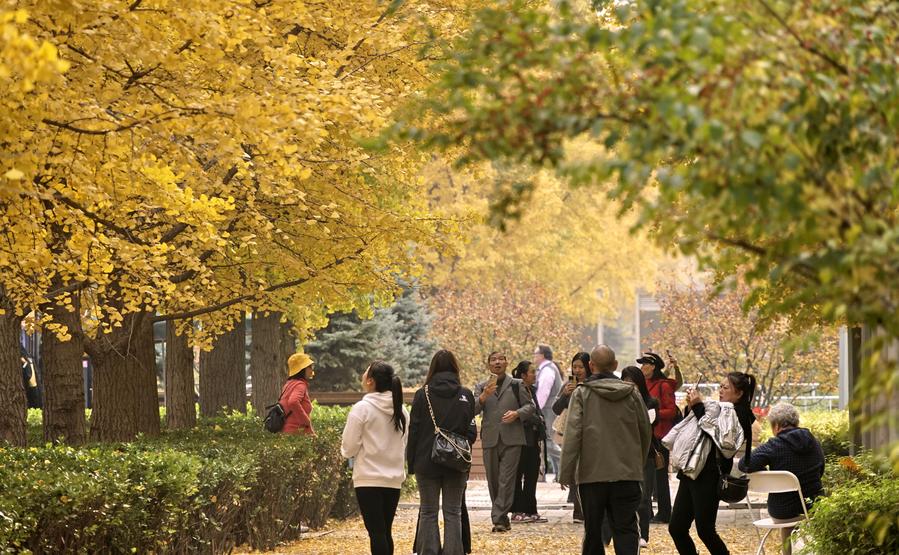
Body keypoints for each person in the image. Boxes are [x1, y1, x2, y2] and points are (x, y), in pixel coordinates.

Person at [559, 345, 652, 555]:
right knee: (626, 529)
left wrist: (566, 471)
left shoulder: (582, 394)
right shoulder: (632, 393)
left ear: (591, 366)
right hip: (627, 474)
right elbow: (645, 431)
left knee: (593, 531)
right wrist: (637, 461)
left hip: (592, 476)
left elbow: (573, 435)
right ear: (616, 365)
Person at [663, 371, 756, 555]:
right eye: (720, 386)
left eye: (726, 387)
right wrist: (692, 407)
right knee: (677, 528)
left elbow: (722, 439)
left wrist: (698, 407)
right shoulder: (719, 408)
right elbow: (698, 428)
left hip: (709, 476)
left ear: (739, 393)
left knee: (705, 530)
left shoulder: (741, 414)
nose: (721, 390)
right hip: (691, 471)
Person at [407, 350, 477, 555]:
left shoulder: (423, 394)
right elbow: (471, 433)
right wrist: (456, 445)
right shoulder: (466, 395)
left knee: (428, 511)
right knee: (453, 512)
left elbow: (414, 432)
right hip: (456, 465)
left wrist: (411, 462)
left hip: (426, 462)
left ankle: (429, 551)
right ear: (455, 368)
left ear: (433, 368)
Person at [341, 362, 409, 555]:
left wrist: (348, 453)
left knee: (377, 533)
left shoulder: (362, 408)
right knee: (385, 531)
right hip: (394, 479)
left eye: (365, 373)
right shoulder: (401, 410)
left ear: (370, 381)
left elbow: (349, 447)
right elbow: (403, 442)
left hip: (368, 479)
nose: (362, 376)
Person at [739, 403, 824, 555]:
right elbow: (821, 469)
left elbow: (744, 463)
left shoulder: (774, 445)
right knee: (801, 504)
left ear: (776, 426)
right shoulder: (814, 441)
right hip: (814, 507)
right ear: (796, 423)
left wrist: (765, 471)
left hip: (782, 510)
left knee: (787, 511)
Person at [473, 350, 536, 532]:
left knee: (506, 480)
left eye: (501, 359)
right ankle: (502, 515)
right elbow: (472, 410)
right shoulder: (482, 386)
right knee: (493, 480)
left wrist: (517, 414)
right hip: (490, 438)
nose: (497, 362)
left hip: (512, 438)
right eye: (493, 359)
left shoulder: (517, 384)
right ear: (488, 364)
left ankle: (499, 518)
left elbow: (530, 406)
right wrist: (484, 396)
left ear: (507, 363)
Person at [621, 365, 661, 549]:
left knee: (643, 497)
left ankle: (643, 533)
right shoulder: (618, 402)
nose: (629, 386)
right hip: (624, 454)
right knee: (626, 495)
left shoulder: (650, 402)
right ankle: (628, 531)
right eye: (625, 382)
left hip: (646, 454)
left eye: (632, 382)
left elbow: (646, 425)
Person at [638, 351, 677, 523]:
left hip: (660, 437)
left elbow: (672, 410)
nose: (642, 367)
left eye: (645, 364)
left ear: (653, 366)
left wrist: (653, 414)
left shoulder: (664, 386)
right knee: (648, 478)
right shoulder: (643, 384)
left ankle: (665, 512)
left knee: (660, 478)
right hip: (646, 435)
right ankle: (649, 512)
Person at [553, 351, 589, 523]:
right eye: (574, 367)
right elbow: (556, 408)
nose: (577, 370)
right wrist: (566, 394)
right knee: (574, 469)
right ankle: (578, 511)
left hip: (590, 433)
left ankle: (587, 509)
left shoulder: (593, 385)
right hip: (571, 432)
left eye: (580, 367)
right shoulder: (568, 385)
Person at [510, 361, 548, 524]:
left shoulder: (531, 390)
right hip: (520, 439)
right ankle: (517, 510)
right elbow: (525, 413)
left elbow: (536, 412)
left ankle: (531, 510)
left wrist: (538, 419)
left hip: (532, 441)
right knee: (518, 476)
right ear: (524, 375)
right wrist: (536, 419)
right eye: (532, 372)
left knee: (532, 476)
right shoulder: (514, 390)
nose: (535, 375)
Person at [533, 344, 562, 477]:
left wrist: (535, 409)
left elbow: (543, 393)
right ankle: (559, 472)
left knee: (548, 441)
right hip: (549, 409)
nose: (534, 357)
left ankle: (566, 462)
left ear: (542, 355)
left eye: (535, 354)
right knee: (548, 441)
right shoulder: (547, 369)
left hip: (547, 409)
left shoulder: (547, 370)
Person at [281, 352, 315, 435]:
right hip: (297, 433)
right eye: (309, 367)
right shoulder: (300, 385)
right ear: (302, 370)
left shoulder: (289, 384)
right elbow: (293, 402)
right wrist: (306, 421)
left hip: (288, 432)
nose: (311, 370)